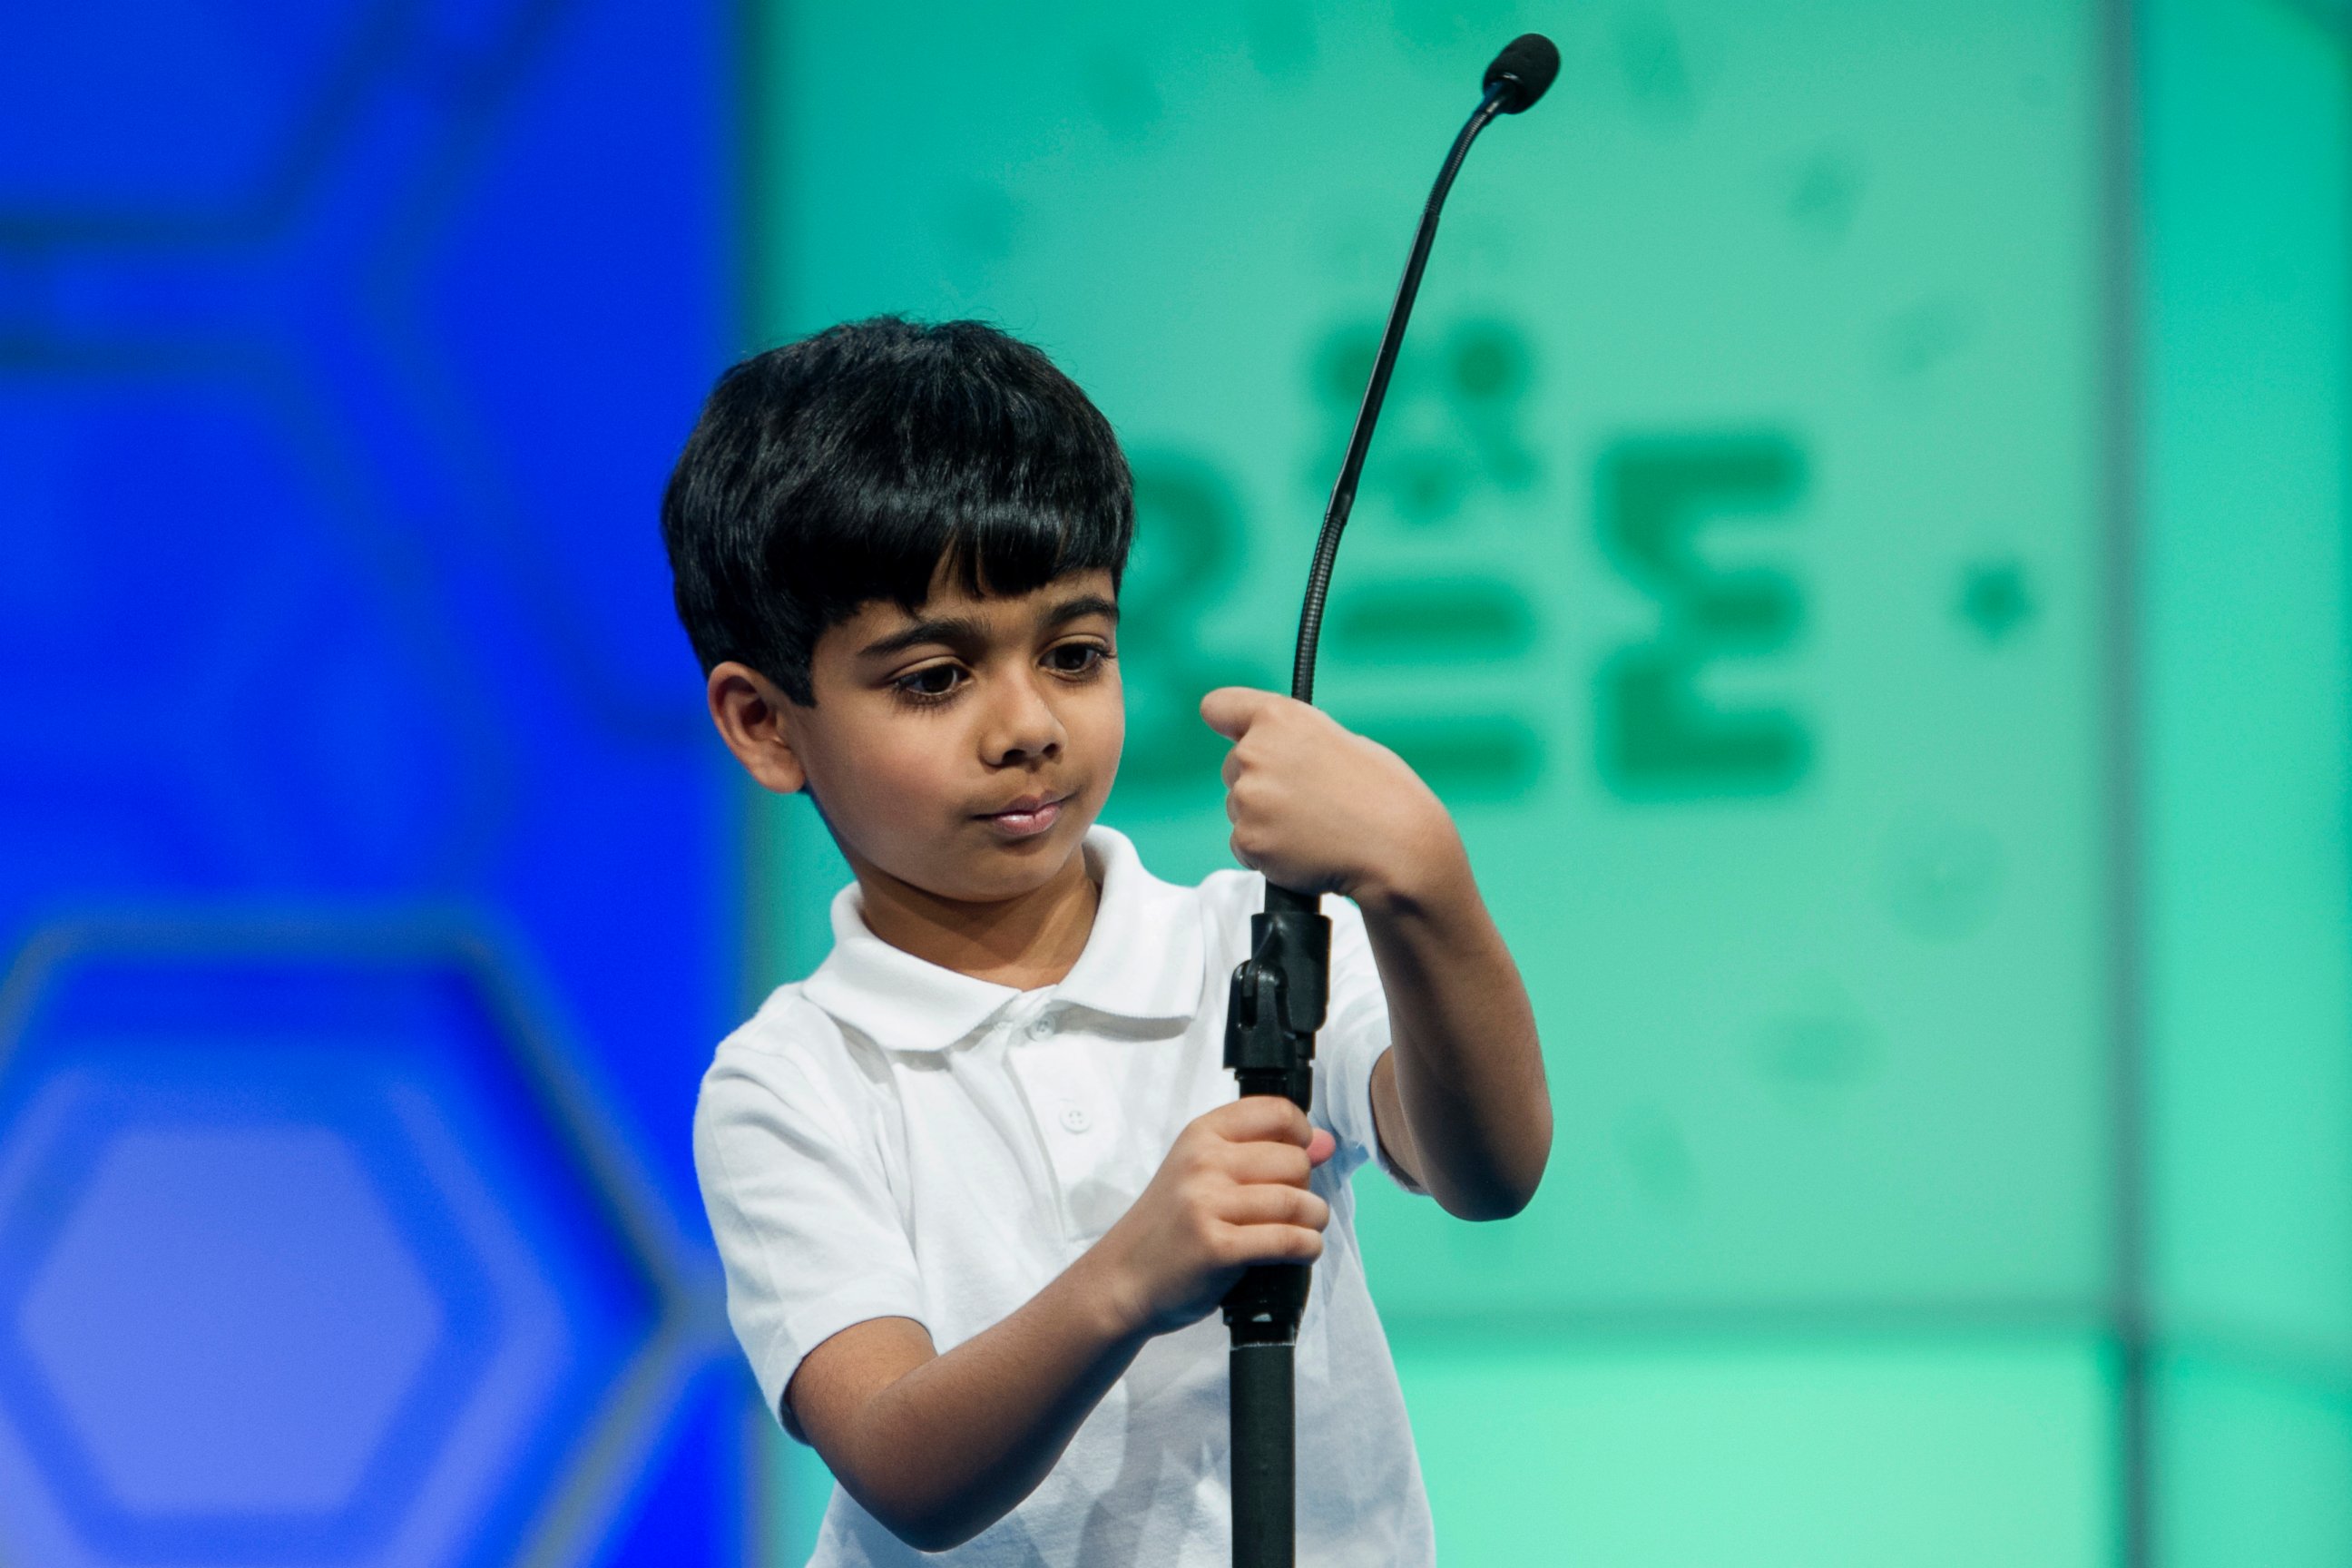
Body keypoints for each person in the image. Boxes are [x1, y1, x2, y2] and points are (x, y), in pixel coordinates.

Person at [665, 316, 1549, 1566]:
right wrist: (1131, 1270)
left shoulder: (1251, 935)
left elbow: (1487, 1167)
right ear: (765, 724)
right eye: (932, 679)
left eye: (1075, 653)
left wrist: (1425, 887)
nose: (1026, 724)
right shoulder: (795, 1080)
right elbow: (902, 1469)